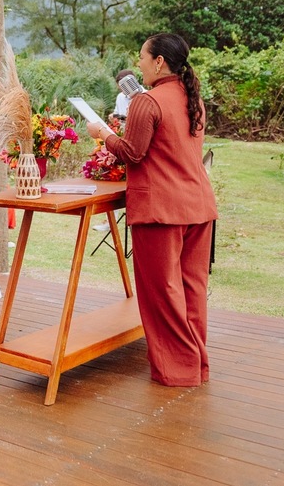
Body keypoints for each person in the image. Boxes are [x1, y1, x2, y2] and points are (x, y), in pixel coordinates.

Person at [87, 33, 217, 388]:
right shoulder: (193, 99)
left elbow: (133, 152)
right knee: (192, 289)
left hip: (161, 210)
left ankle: (177, 371)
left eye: (142, 56)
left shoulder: (147, 102)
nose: (139, 62)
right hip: (198, 206)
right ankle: (196, 365)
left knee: (163, 293)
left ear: (159, 61)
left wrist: (101, 133)